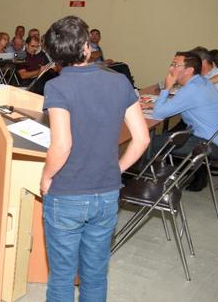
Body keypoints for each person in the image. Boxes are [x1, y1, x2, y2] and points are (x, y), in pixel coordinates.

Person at [40, 16, 149, 302]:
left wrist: (46, 176)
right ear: (88, 48)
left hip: (67, 193)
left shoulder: (57, 87)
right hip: (107, 192)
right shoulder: (120, 81)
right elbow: (142, 139)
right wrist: (118, 167)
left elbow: (62, 145)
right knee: (95, 274)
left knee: (62, 277)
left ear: (53, 56)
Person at [147, 51, 218, 191]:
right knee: (160, 138)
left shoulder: (192, 89)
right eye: (171, 64)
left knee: (147, 142)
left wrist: (167, 87)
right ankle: (153, 176)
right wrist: (157, 103)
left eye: (176, 65)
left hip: (209, 145)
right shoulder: (201, 82)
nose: (171, 69)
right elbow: (182, 102)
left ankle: (142, 183)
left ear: (189, 70)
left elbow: (158, 114)